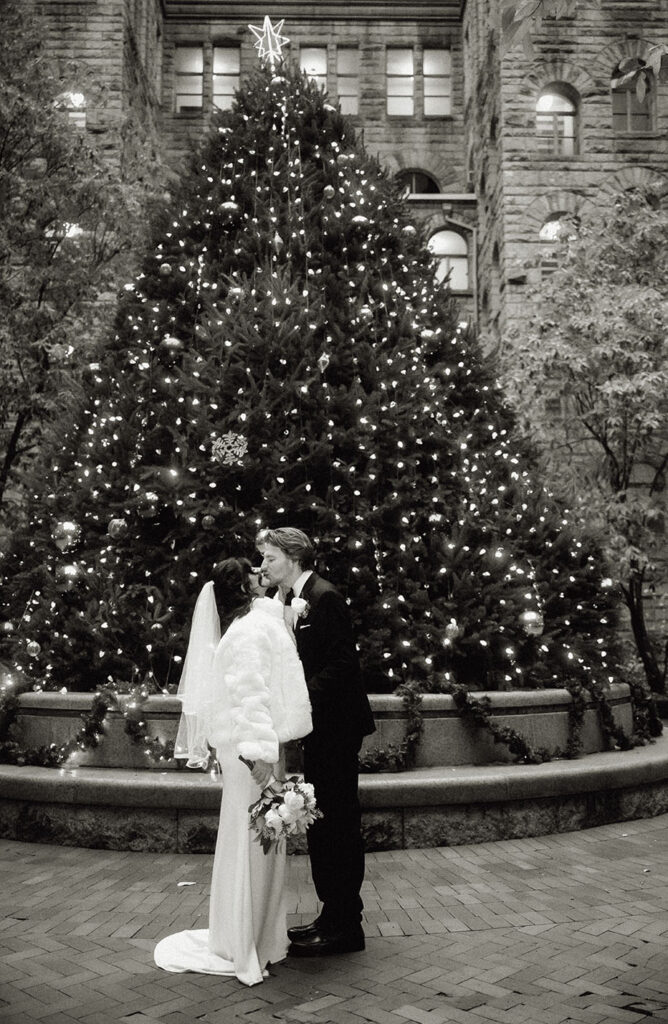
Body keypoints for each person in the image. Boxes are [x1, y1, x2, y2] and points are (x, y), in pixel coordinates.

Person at [153, 558, 313, 986]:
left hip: (254, 748)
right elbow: (249, 699)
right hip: (250, 752)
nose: (264, 575)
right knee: (252, 840)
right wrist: (261, 759)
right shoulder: (246, 632)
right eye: (256, 573)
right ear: (243, 586)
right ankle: (243, 940)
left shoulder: (253, 624)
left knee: (261, 841)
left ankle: (257, 935)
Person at [256, 527, 375, 957]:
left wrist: (299, 701)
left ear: (293, 556)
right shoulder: (285, 602)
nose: (263, 566)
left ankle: (347, 925)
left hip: (337, 729)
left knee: (340, 823)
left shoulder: (325, 597)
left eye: (270, 558)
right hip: (316, 729)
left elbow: (344, 663)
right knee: (323, 824)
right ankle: (332, 915)